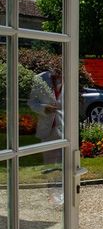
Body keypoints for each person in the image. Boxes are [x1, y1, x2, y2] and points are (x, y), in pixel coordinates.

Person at [29, 66, 64, 205]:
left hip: (64, 128)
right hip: (47, 128)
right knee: (49, 165)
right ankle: (51, 194)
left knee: (64, 164)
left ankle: (64, 195)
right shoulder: (40, 79)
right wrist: (44, 108)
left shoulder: (71, 76)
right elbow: (32, 102)